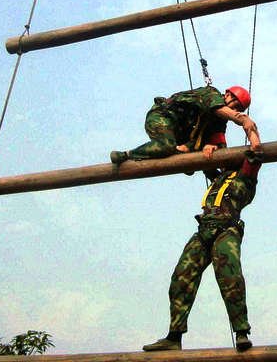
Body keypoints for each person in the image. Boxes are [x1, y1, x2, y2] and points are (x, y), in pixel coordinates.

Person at [142, 149, 263, 352]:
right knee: (181, 277)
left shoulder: (246, 177)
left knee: (229, 276)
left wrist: (248, 127)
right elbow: (204, 156)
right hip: (204, 230)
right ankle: (174, 336)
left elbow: (256, 151)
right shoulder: (218, 178)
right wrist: (207, 148)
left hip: (227, 229)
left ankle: (241, 331)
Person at [111, 85, 260, 164]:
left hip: (179, 132)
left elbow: (220, 141)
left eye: (237, 107)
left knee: (196, 154)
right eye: (233, 100)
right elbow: (219, 108)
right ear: (227, 94)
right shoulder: (211, 93)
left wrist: (213, 147)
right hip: (163, 115)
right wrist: (243, 119)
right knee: (166, 146)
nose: (233, 106)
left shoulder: (219, 122)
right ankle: (127, 155)